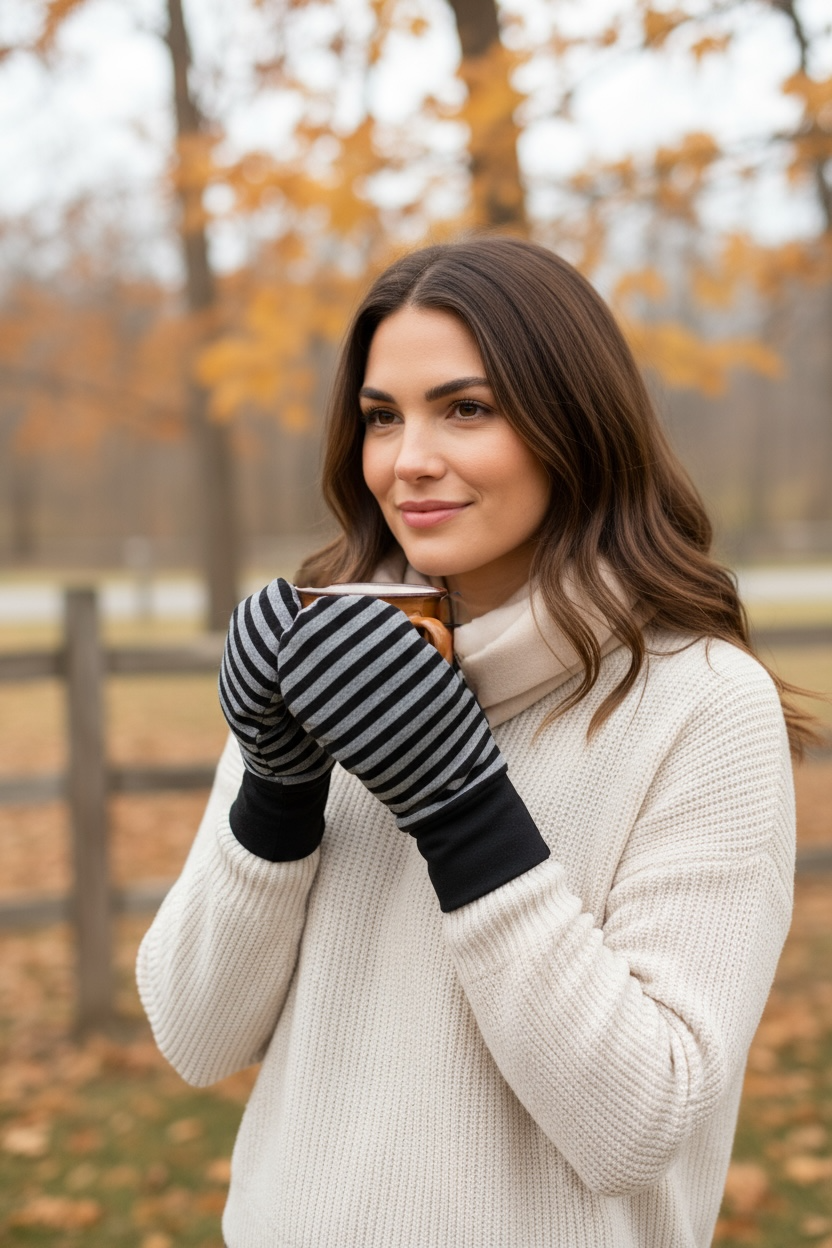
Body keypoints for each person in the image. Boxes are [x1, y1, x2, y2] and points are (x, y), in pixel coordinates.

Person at [137, 236, 813, 1248]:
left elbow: (639, 1125)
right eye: (380, 417)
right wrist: (275, 793)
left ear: (570, 424)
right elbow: (197, 1036)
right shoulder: (330, 668)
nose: (408, 460)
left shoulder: (701, 706)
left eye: (466, 408)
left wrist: (460, 808)